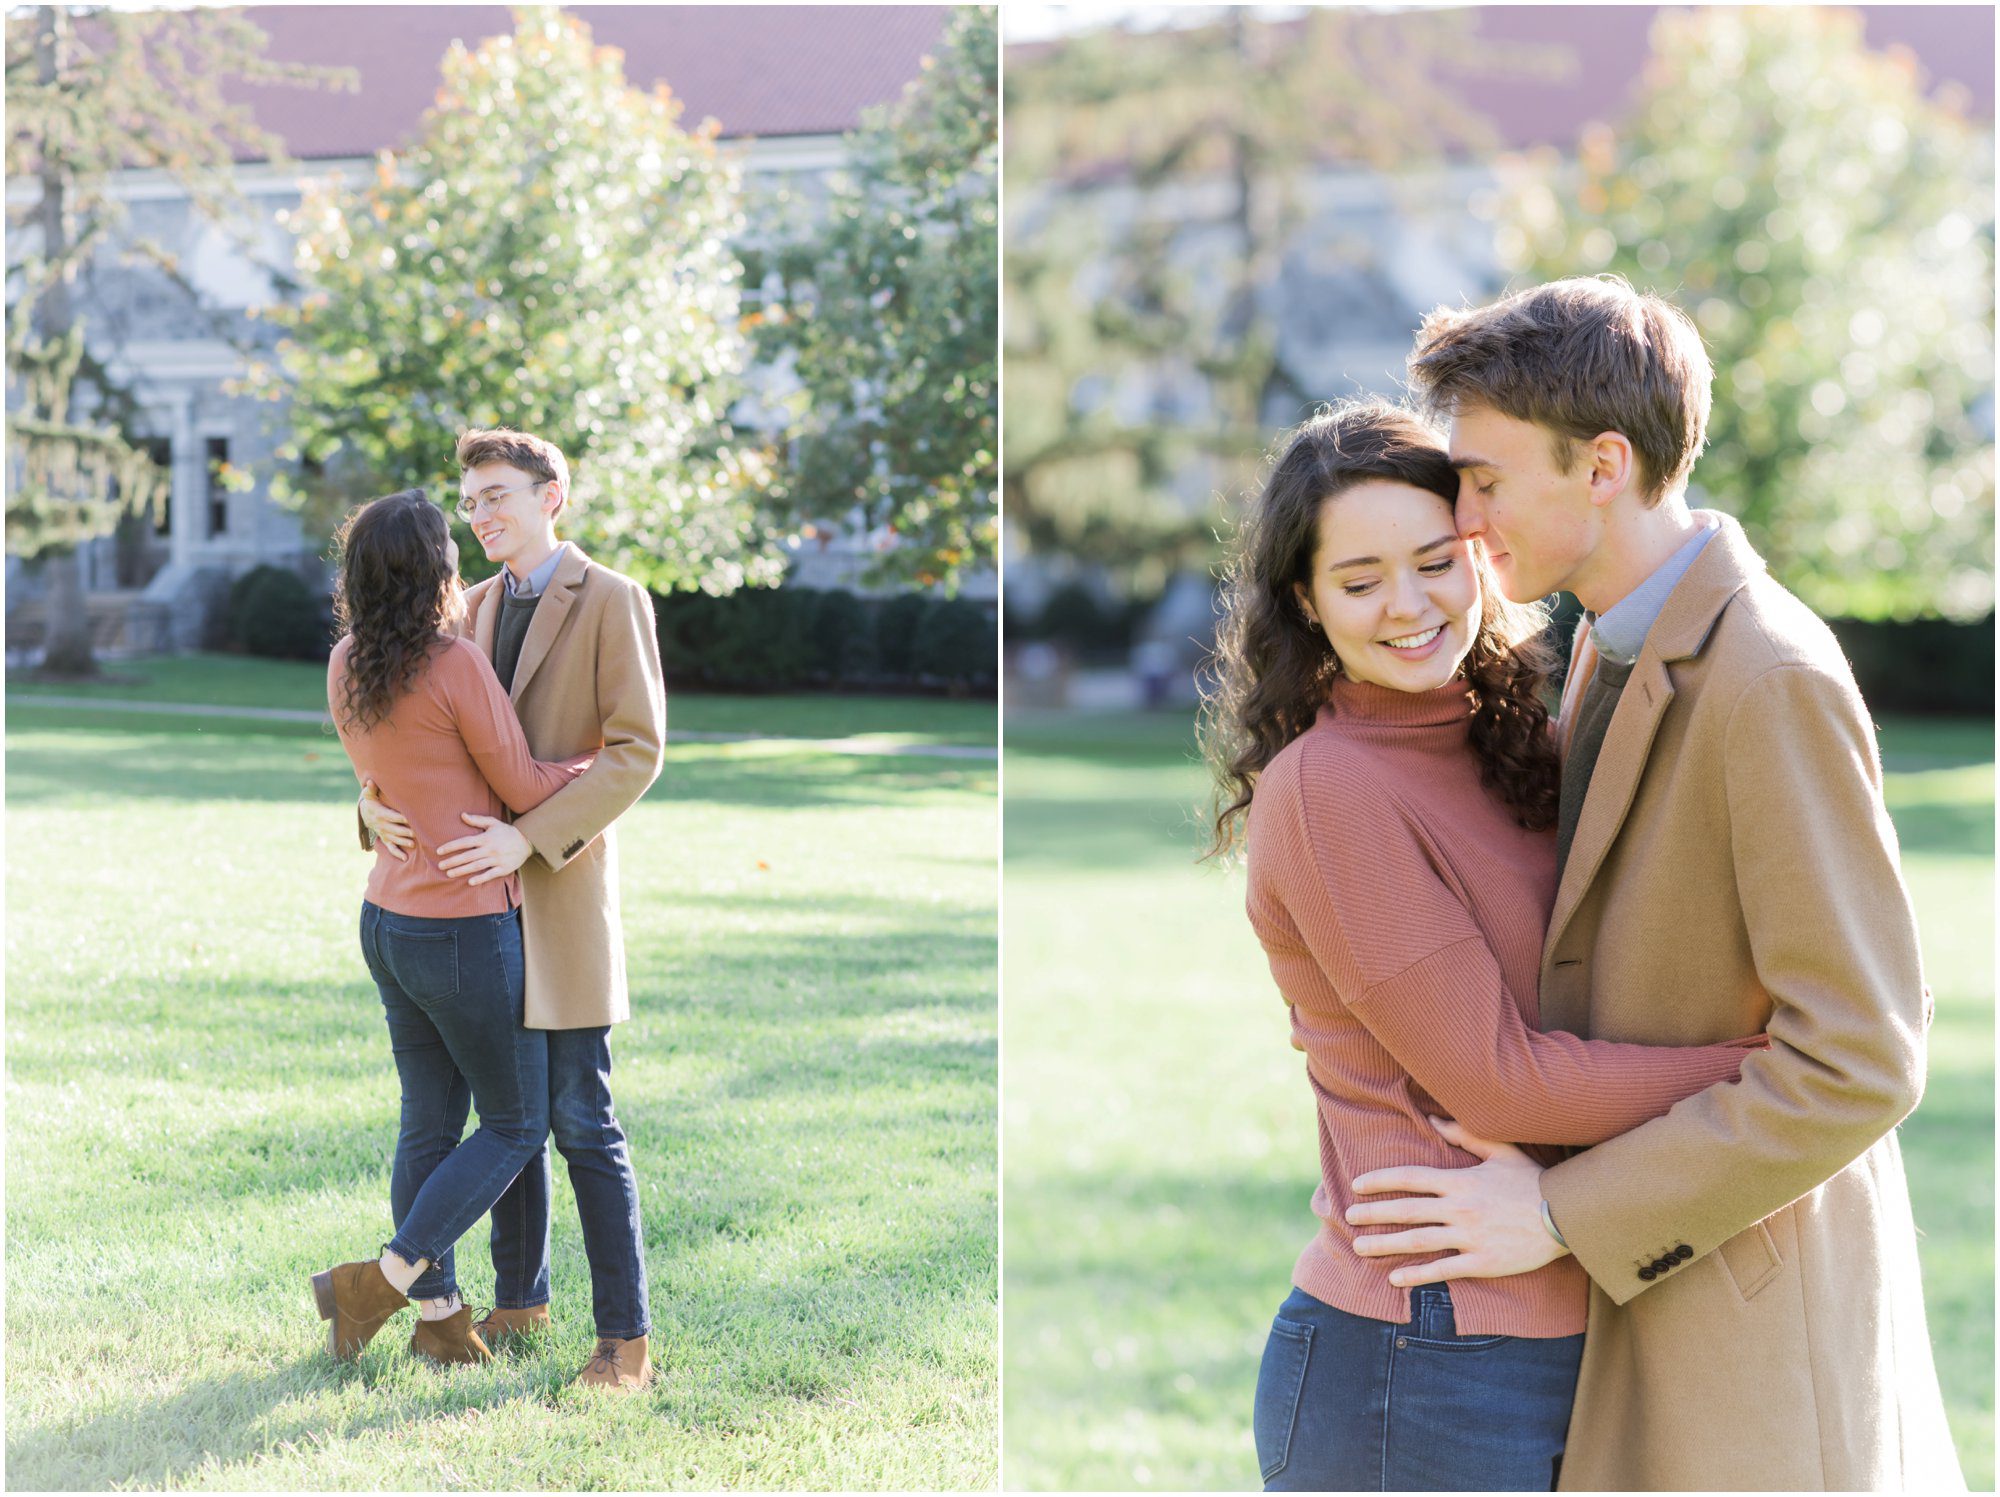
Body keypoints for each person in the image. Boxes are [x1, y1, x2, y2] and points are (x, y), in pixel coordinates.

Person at [1346, 275, 1961, 1490]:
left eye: (1483, 478)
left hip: (1751, 1320)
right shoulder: (1598, 644)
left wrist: (1565, 1213)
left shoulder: (1766, 673)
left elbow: (1861, 1057)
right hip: (1650, 1303)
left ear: (1601, 466)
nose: (1462, 518)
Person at [1204, 398, 1767, 1491]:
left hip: (1568, 1324)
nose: (1407, 608)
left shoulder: (1512, 741)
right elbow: (1501, 1085)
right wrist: (1776, 1073)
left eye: (1435, 562)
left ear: (1481, 553)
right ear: (1303, 603)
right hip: (1421, 1357)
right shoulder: (1329, 792)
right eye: (1359, 582)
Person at [359, 428, 667, 1392]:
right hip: (471, 916)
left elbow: (636, 750)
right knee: (510, 1114)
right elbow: (419, 739)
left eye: (499, 495)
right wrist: (365, 808)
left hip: (558, 897)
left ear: (552, 494)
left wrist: (529, 839)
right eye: (474, 501)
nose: (484, 514)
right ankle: (521, 1297)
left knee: (581, 1123)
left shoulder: (614, 600)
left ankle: (625, 1340)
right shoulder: (471, 608)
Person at [314, 488, 593, 1366]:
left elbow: (384, 779)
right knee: (516, 1121)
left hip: (388, 922)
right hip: (464, 931)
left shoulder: (347, 661)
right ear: (439, 569)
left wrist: (368, 801)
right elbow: (520, 782)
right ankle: (383, 1280)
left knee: (429, 1123)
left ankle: (439, 1316)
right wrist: (605, 761)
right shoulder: (455, 663)